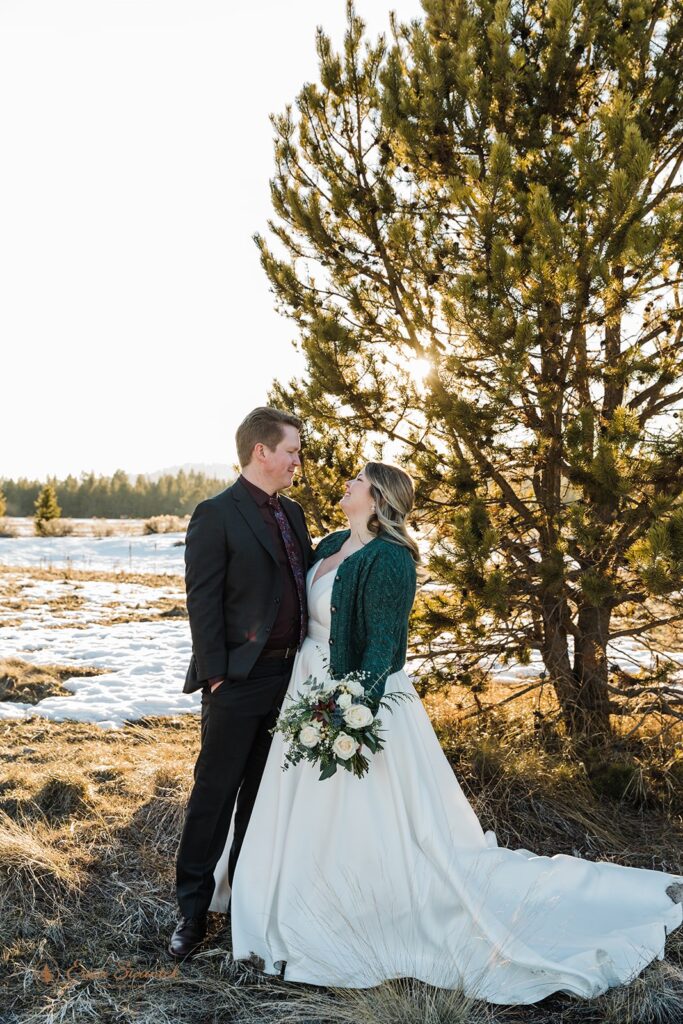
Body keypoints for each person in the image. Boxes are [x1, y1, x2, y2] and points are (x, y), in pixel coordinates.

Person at [206, 459, 683, 1004]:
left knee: (366, 816)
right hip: (305, 687)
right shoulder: (331, 542)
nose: (347, 484)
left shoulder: (390, 560)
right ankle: (279, 897)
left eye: (357, 481)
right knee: (296, 803)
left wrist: (349, 710)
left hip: (355, 700)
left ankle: (358, 909)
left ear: (380, 498)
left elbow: (383, 648)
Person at [168, 406, 314, 959]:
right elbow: (201, 600)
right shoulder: (216, 514)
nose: (297, 461)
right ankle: (191, 911)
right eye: (292, 450)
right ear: (262, 452)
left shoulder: (294, 515)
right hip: (236, 681)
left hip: (289, 677)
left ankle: (247, 901)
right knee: (214, 794)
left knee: (262, 795)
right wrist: (217, 676)